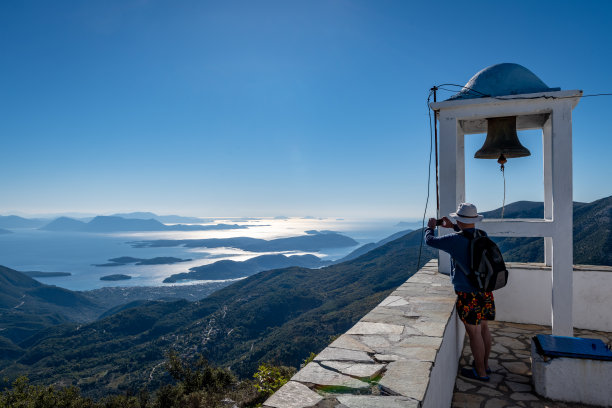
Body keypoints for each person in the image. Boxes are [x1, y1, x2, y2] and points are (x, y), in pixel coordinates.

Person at [425, 202, 494, 382]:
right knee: (485, 329)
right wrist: (453, 226)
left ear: (458, 218)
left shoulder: (454, 240)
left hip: (467, 293)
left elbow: (430, 241)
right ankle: (485, 365)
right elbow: (467, 234)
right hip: (485, 291)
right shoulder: (482, 235)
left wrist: (430, 227)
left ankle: (481, 373)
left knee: (474, 334)